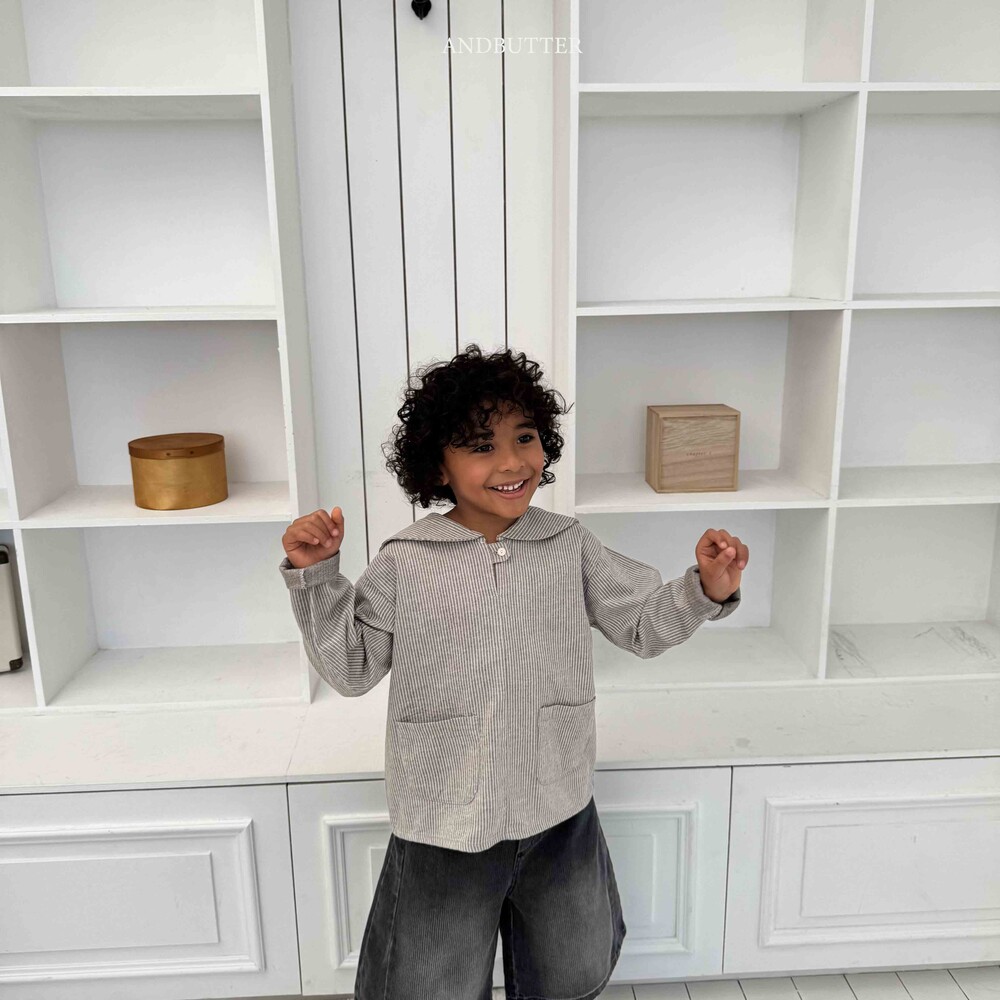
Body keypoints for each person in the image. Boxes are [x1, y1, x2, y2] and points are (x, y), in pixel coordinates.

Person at [278, 343, 746, 1000]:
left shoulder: (567, 545)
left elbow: (641, 623)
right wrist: (317, 577)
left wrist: (706, 588)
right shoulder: (406, 561)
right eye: (480, 446)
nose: (511, 462)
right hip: (443, 819)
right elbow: (351, 668)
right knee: (427, 984)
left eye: (524, 437)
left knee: (571, 969)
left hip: (556, 805)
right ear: (437, 466)